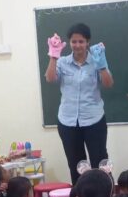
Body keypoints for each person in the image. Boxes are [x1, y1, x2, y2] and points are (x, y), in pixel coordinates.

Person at [44, 23, 114, 184]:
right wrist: (53, 57)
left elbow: (109, 84)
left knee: (100, 162)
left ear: (87, 42)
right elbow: (50, 78)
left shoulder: (96, 59)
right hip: (67, 121)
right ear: (69, 42)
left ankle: (106, 195)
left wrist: (102, 66)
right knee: (76, 164)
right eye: (74, 41)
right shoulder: (62, 62)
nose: (77, 45)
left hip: (94, 120)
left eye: (81, 41)